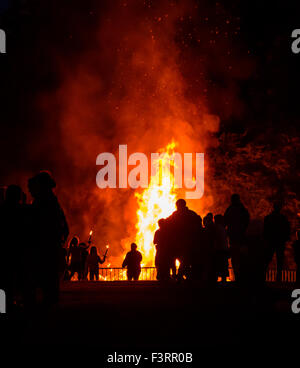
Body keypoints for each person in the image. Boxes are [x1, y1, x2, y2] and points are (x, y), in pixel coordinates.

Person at [28, 171, 69, 306]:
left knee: (47, 278)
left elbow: (35, 224)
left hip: (44, 245)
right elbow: (65, 227)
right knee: (49, 279)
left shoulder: (44, 203)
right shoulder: (52, 201)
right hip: (50, 245)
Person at [0, 185, 24, 311]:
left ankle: (4, 306)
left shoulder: (3, 209)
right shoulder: (18, 211)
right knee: (9, 279)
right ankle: (6, 305)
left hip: (7, 249)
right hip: (13, 249)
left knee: (6, 280)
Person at [166, 199, 201, 280]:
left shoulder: (176, 215)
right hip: (190, 242)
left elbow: (168, 223)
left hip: (180, 242)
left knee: (183, 260)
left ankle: (181, 274)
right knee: (186, 260)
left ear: (178, 205)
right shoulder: (192, 214)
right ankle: (186, 275)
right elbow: (198, 225)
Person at [224, 194, 250, 283]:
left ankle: (237, 277)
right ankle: (242, 278)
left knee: (235, 259)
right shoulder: (243, 210)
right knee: (242, 258)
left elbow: (225, 222)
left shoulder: (230, 210)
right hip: (242, 238)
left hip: (234, 238)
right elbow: (247, 221)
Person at [264, 201, 290, 282]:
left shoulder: (268, 218)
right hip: (280, 241)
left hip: (271, 241)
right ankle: (278, 278)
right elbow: (287, 230)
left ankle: (263, 276)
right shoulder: (283, 218)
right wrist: (285, 238)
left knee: (267, 259)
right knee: (279, 260)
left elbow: (265, 230)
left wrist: (266, 239)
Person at [214, 214, 229, 283]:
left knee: (219, 264)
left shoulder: (217, 228)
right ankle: (223, 280)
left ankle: (219, 279)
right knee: (223, 265)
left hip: (219, 249)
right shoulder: (222, 228)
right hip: (222, 249)